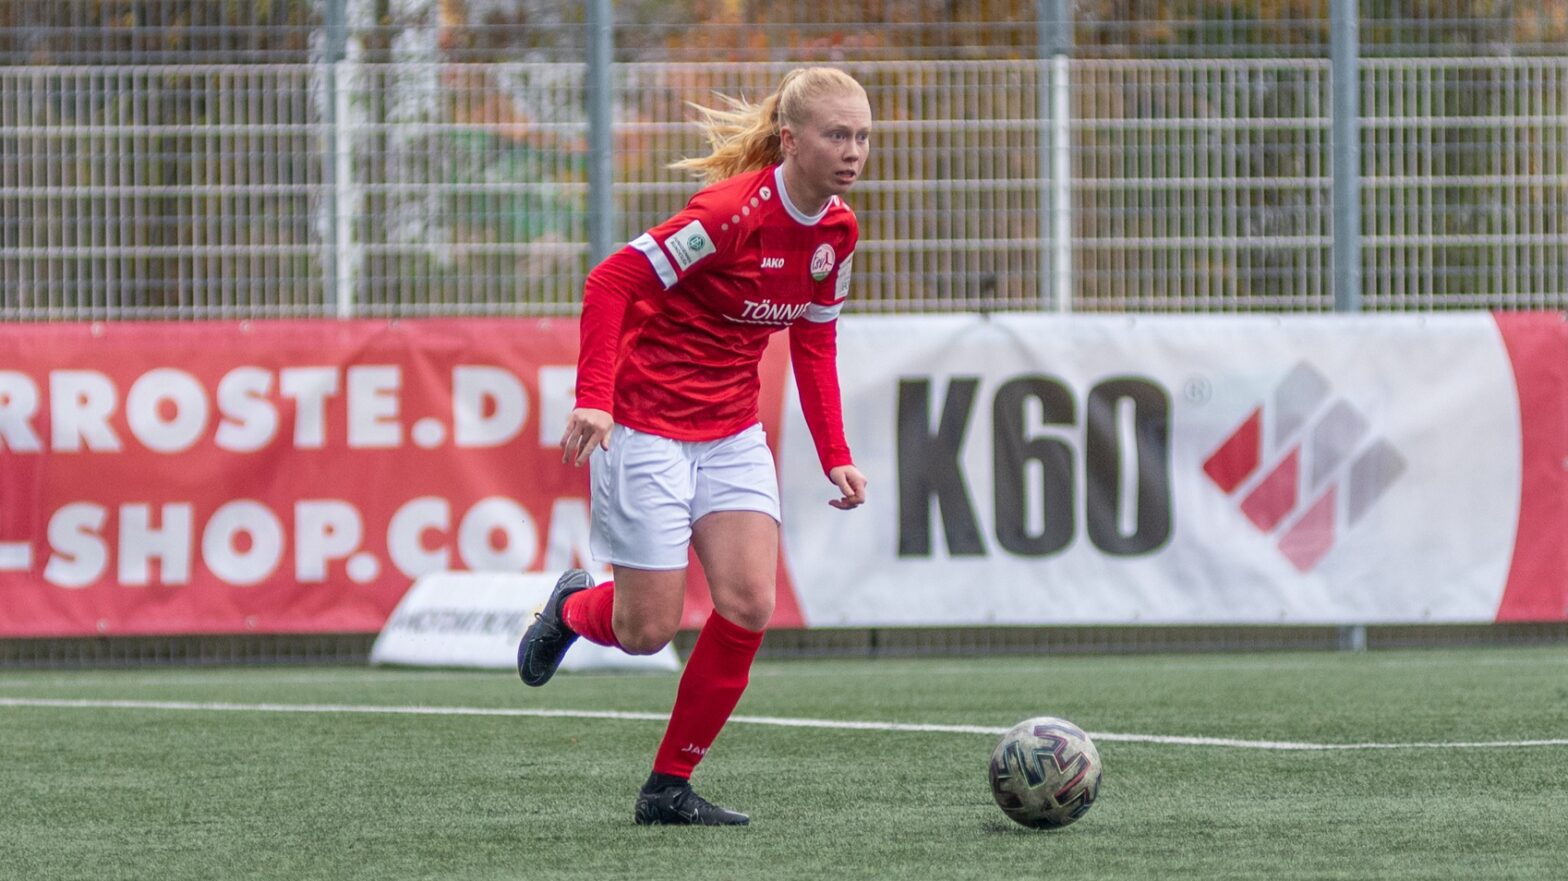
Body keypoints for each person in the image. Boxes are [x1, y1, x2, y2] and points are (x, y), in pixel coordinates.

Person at [516, 66, 872, 826]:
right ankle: (573, 607)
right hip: (646, 425)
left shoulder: (837, 230)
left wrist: (834, 451)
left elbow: (814, 341)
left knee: (747, 604)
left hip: (733, 431)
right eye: (836, 134)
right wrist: (594, 398)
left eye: (863, 135)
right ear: (790, 140)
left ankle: (667, 788)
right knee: (648, 629)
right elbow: (611, 283)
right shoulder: (729, 213)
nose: (853, 150)